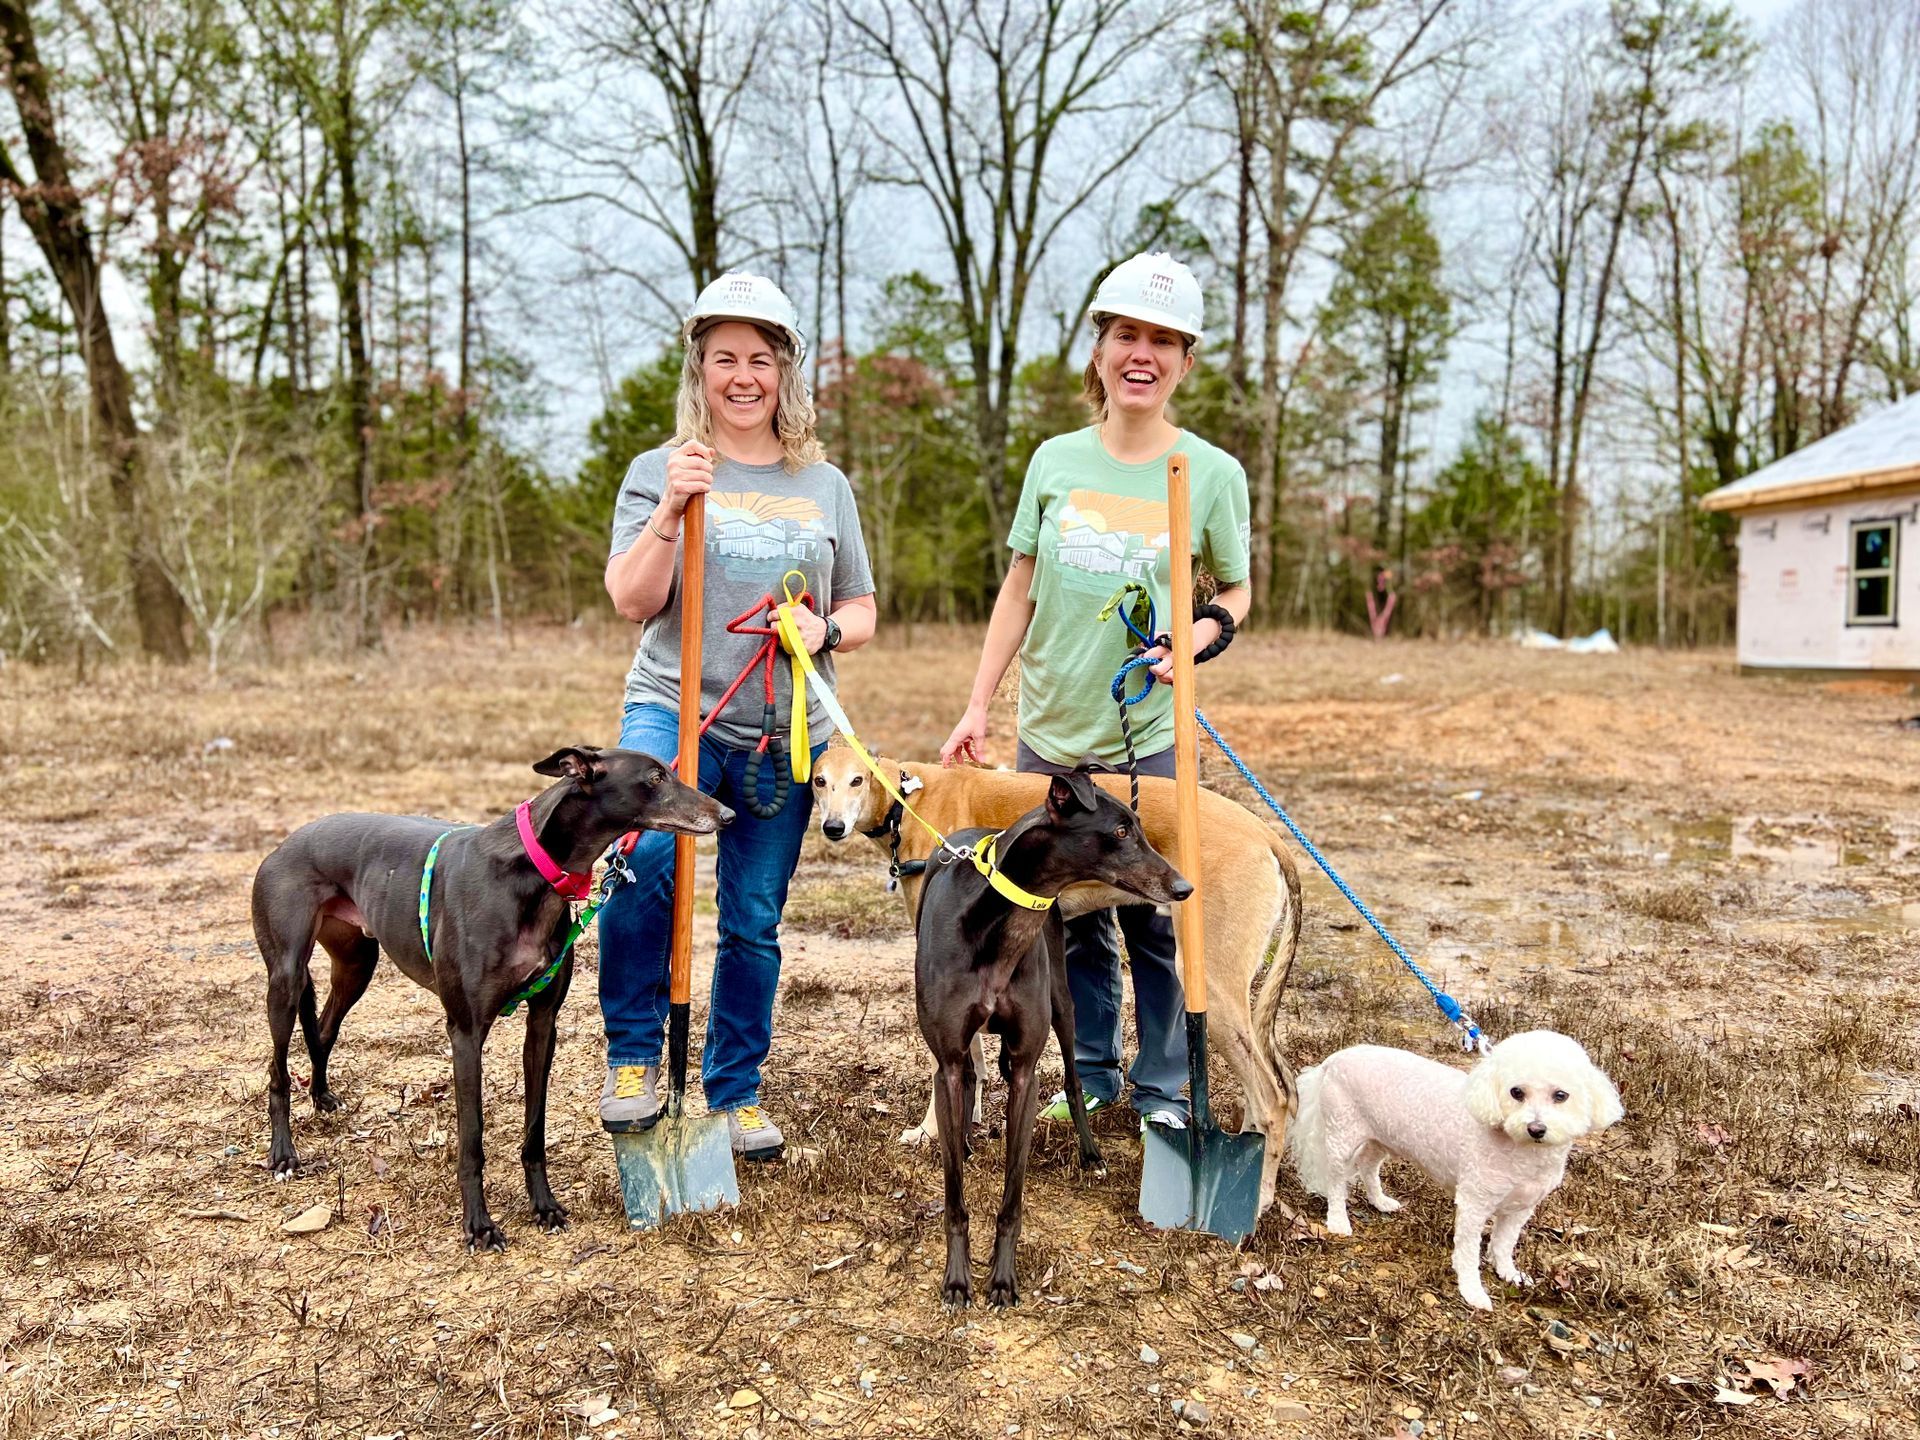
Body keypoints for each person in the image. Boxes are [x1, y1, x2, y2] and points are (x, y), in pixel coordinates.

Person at [939, 252, 1251, 1134]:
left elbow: (1235, 590)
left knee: (1152, 911)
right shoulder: (1056, 460)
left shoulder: (1210, 473)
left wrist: (1193, 638)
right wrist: (977, 704)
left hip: (1146, 733)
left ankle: (1160, 1087)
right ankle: (1091, 1067)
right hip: (1053, 728)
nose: (1141, 354)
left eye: (1162, 340)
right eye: (1125, 336)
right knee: (1059, 916)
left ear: (1185, 362)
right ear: (1101, 351)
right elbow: (1019, 587)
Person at [599, 272, 876, 1159]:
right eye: (726, 358)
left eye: (762, 357)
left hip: (782, 726)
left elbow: (863, 611)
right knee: (641, 861)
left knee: (754, 915)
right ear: (701, 368)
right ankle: (636, 1059)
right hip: (673, 711)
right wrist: (676, 510)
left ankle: (736, 1089)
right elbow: (631, 598)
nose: (743, 375)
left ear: (785, 371)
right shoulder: (662, 470)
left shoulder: (824, 482)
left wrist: (823, 625)